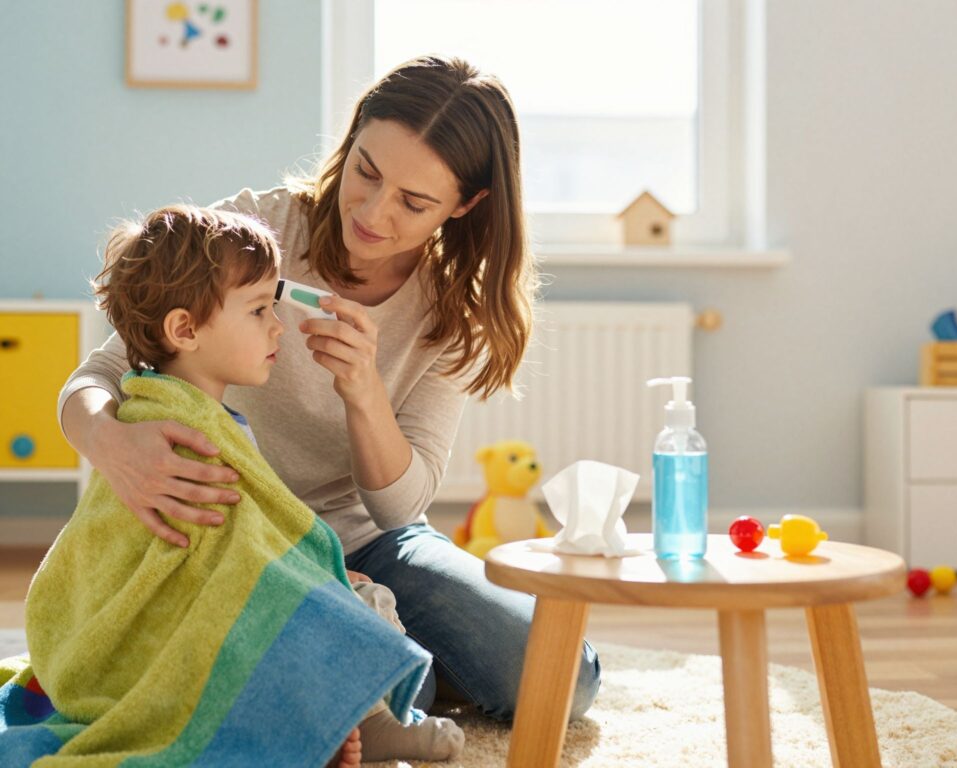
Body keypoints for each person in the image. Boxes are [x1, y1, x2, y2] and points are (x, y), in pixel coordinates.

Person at [58, 55, 601, 723]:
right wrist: (111, 443)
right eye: (365, 172)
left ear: (466, 204)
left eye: (414, 202)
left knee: (563, 677)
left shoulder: (451, 309)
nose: (373, 213)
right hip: (239, 535)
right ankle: (384, 664)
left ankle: (372, 648)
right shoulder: (255, 236)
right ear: (351, 141)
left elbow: (401, 507)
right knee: (394, 694)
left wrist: (365, 392)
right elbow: (101, 375)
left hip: (370, 543)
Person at [33, 205, 464, 766]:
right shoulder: (188, 432)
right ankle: (356, 721)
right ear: (184, 329)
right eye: (259, 310)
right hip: (185, 622)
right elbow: (221, 550)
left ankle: (337, 720)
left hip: (227, 591)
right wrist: (316, 573)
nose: (278, 325)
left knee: (355, 598)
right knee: (356, 604)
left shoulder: (183, 408)